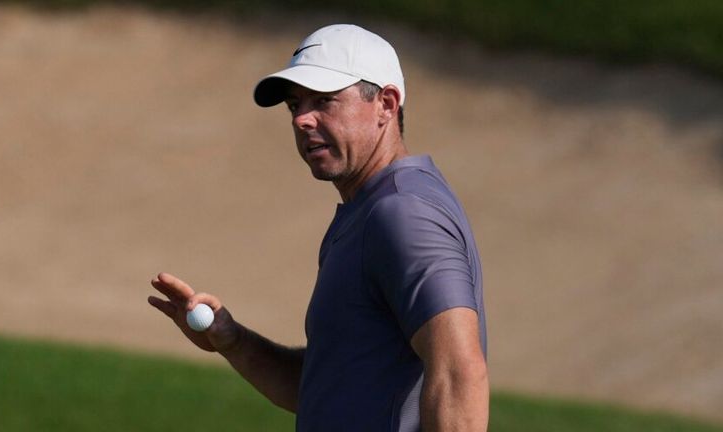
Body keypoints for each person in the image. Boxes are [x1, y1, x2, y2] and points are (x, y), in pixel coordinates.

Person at [148, 24, 488, 431]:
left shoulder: (404, 214)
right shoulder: (368, 212)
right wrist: (233, 341)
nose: (302, 119)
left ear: (386, 103)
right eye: (294, 105)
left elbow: (459, 373)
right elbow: (326, 389)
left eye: (325, 100)